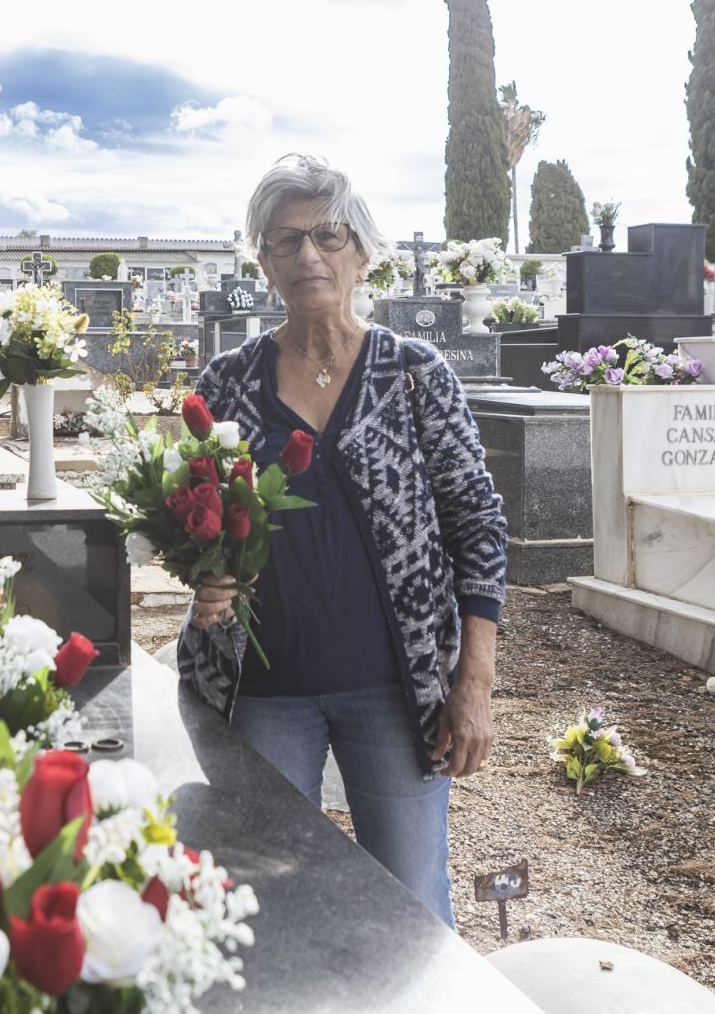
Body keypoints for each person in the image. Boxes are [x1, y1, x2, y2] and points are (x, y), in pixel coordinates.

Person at [176, 153, 508, 929]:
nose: (308, 256)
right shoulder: (225, 383)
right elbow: (195, 516)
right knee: (265, 912)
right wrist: (206, 576)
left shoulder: (414, 373)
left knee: (413, 908)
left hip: (395, 694)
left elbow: (478, 525)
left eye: (328, 236)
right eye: (286, 241)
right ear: (263, 261)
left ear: (362, 251)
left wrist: (475, 683)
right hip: (263, 691)